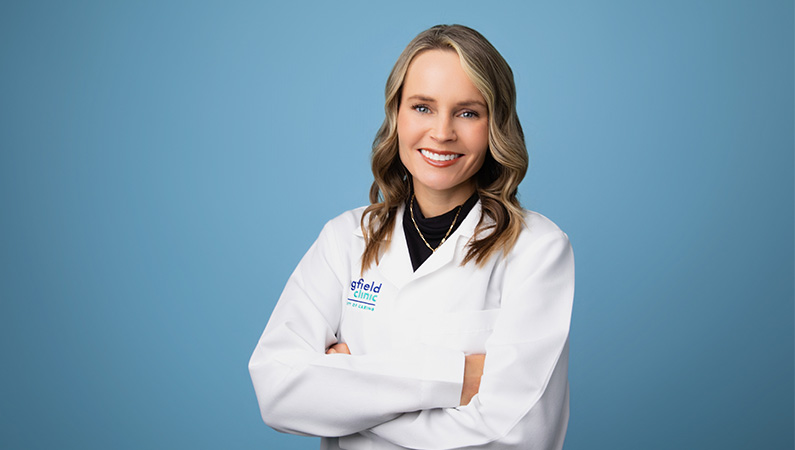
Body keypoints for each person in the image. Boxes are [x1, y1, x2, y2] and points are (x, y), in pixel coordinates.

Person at [249, 24, 574, 450]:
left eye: (468, 112)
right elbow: (277, 392)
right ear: (396, 114)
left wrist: (347, 399)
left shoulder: (537, 250)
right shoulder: (346, 238)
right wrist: (457, 378)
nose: (441, 132)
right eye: (422, 107)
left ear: (496, 124)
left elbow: (517, 435)